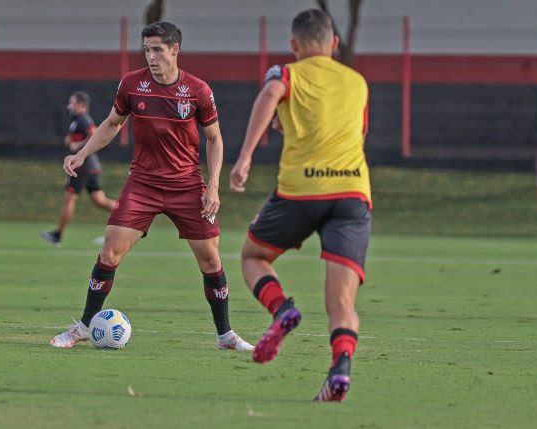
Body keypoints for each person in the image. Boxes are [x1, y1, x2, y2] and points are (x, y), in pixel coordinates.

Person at [50, 21, 253, 351]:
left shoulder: (199, 90)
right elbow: (112, 124)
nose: (151, 56)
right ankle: (84, 327)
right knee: (110, 251)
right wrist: (82, 154)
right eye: (147, 50)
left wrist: (213, 186)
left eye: (158, 49)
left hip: (187, 186)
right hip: (142, 184)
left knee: (211, 262)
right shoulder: (132, 84)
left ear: (175, 50)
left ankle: (225, 335)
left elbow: (214, 139)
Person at [229, 9, 371, 402]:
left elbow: (272, 94)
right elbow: (353, 132)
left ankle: (281, 310)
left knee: (253, 256)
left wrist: (244, 159)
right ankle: (340, 367)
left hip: (300, 192)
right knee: (341, 302)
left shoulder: (286, 73)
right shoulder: (357, 82)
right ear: (334, 44)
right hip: (352, 194)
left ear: (294, 45)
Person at [40, 92, 116, 246]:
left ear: (81, 105)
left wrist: (79, 146)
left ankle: (57, 235)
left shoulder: (83, 119)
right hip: (91, 166)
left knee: (69, 199)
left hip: (82, 167)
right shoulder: (76, 121)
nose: (69, 106)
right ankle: (130, 217)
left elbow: (93, 132)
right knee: (100, 200)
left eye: (72, 103)